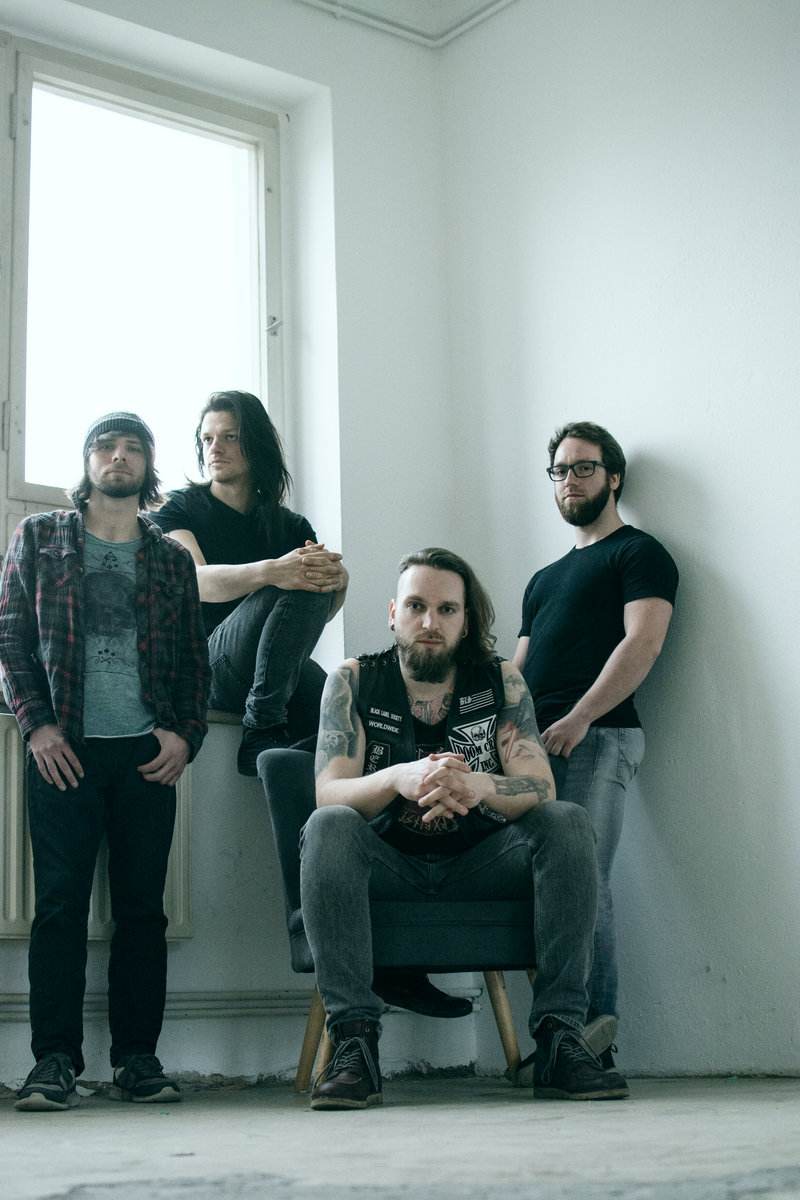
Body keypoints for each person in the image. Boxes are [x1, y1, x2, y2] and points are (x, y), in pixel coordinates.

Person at [298, 547, 629, 1110]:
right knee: (328, 824)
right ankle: (355, 1044)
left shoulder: (501, 680)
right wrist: (399, 777)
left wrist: (477, 785)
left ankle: (560, 1038)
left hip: (481, 863)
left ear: (465, 620)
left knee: (567, 821)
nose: (430, 622)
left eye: (446, 609)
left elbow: (541, 786)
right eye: (416, 606)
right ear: (393, 614)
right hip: (388, 864)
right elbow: (328, 791)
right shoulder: (352, 680)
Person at [0, 412, 210, 1112]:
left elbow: (194, 660)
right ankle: (53, 1061)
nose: (118, 456)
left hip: (146, 755)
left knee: (143, 911)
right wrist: (37, 727)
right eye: (105, 446)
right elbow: (10, 639)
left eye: (132, 448)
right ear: (88, 461)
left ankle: (137, 1060)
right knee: (59, 907)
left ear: (147, 466)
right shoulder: (39, 537)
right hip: (64, 749)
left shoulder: (171, 560)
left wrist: (184, 736)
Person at [513, 421, 678, 1063]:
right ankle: (561, 1033)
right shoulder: (543, 579)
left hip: (598, 736)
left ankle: (590, 1041)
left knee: (583, 882)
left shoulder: (639, 554)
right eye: (559, 470)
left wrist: (579, 719)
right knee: (549, 885)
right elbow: (519, 673)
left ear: (613, 477)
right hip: (535, 748)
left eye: (584, 467)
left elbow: (644, 643)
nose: (569, 480)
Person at [150, 390, 348, 776]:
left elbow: (311, 615)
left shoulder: (290, 525)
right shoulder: (178, 508)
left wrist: (339, 582)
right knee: (293, 574)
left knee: (339, 707)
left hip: (269, 668)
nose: (215, 448)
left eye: (230, 436)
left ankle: (314, 795)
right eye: (207, 438)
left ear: (255, 443)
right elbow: (194, 581)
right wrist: (273, 571)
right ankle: (261, 726)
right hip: (206, 666)